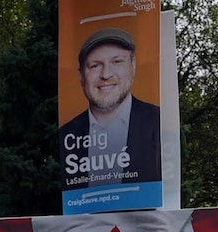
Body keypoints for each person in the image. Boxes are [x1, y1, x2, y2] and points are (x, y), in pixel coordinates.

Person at [59, 26, 161, 190]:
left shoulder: (160, 124)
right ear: (81, 75)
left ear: (132, 66)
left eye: (117, 62)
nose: (106, 74)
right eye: (95, 65)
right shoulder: (65, 136)